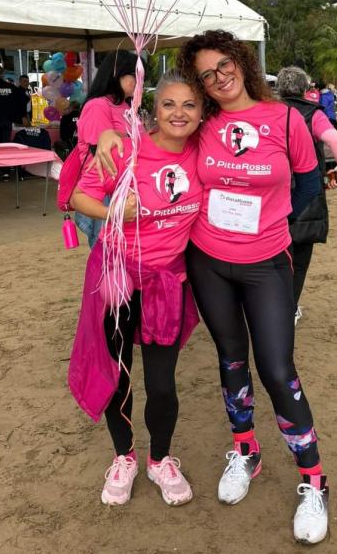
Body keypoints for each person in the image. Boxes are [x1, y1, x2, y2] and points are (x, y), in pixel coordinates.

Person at [96, 31, 330, 544]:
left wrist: (279, 239)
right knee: (230, 359)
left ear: (241, 62)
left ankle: (314, 482)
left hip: (267, 263)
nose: (219, 77)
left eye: (224, 65)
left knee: (277, 368)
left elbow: (310, 186)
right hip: (207, 262)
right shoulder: (201, 125)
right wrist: (103, 135)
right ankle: (246, 453)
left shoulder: (287, 120)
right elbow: (136, 129)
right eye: (206, 74)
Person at [69, 71, 203, 508]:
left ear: (202, 113)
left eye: (189, 105)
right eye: (169, 104)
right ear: (153, 107)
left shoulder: (203, 153)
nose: (178, 113)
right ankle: (124, 456)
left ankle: (160, 459)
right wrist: (113, 211)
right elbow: (77, 197)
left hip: (167, 282)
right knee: (119, 375)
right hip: (118, 278)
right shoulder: (124, 148)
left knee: (162, 385)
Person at [276, 66, 337, 321]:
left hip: (273, 190)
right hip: (305, 190)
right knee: (300, 256)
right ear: (306, 89)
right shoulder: (312, 113)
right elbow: (335, 139)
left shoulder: (270, 111)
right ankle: (289, 306)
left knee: (273, 257)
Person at [75, 50, 141, 248]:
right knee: (106, 251)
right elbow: (102, 154)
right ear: (117, 74)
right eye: (135, 76)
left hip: (126, 188)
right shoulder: (98, 106)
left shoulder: (127, 107)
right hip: (105, 190)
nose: (139, 83)